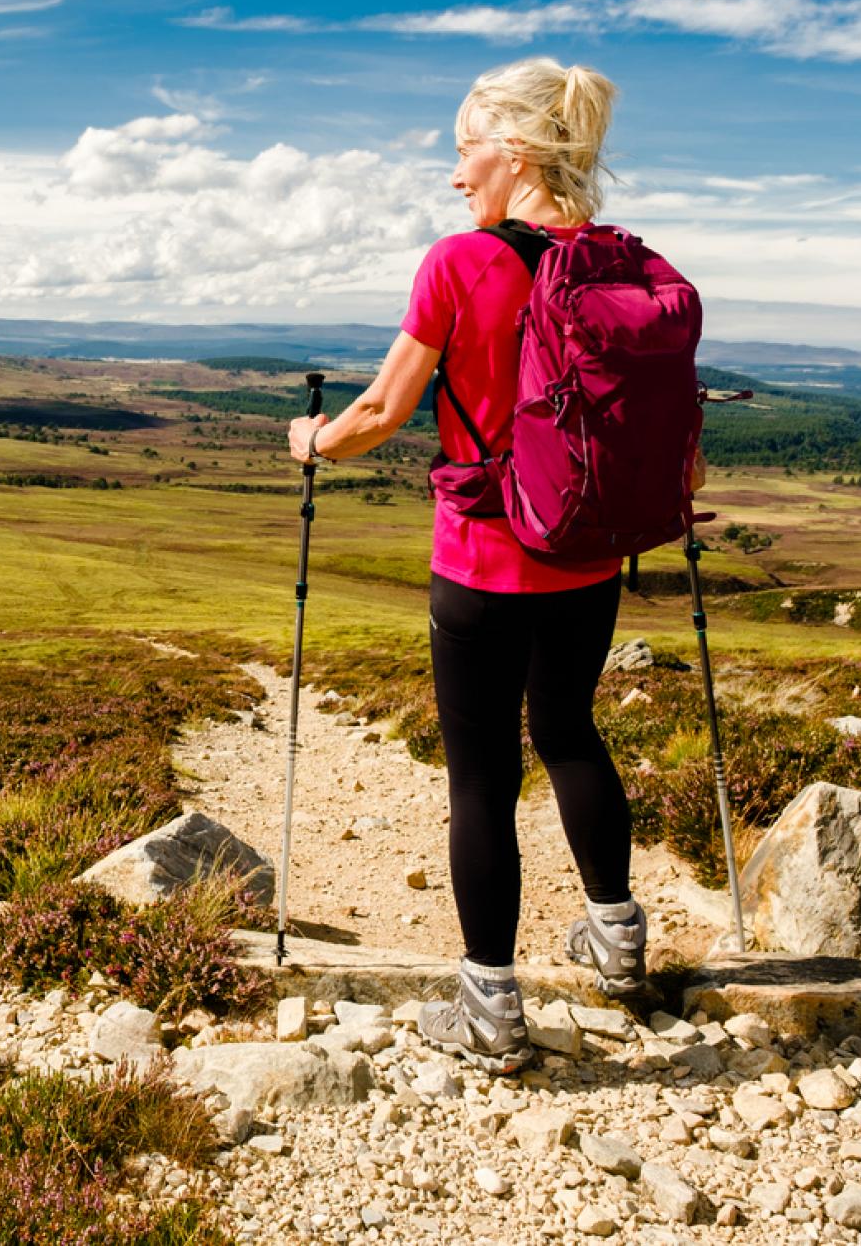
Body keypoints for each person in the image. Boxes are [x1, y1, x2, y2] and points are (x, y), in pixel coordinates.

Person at [285, 55, 645, 1075]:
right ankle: (616, 941)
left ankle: (488, 1005)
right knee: (569, 730)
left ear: (515, 151)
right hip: (586, 553)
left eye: (462, 151)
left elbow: (380, 411)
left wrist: (311, 443)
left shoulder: (460, 263)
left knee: (479, 778)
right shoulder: (624, 264)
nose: (454, 176)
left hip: (486, 556)